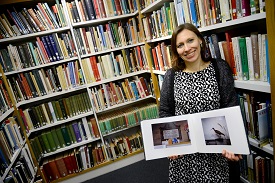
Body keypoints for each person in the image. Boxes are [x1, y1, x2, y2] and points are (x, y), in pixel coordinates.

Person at [159, 23, 242, 183]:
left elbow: (231, 108)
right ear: (176, 50)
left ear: (200, 41)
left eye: (190, 40)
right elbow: (165, 112)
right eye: (180, 45)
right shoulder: (171, 76)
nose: (187, 48)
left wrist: (236, 144)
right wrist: (171, 145)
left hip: (216, 155)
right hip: (184, 156)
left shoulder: (220, 68)